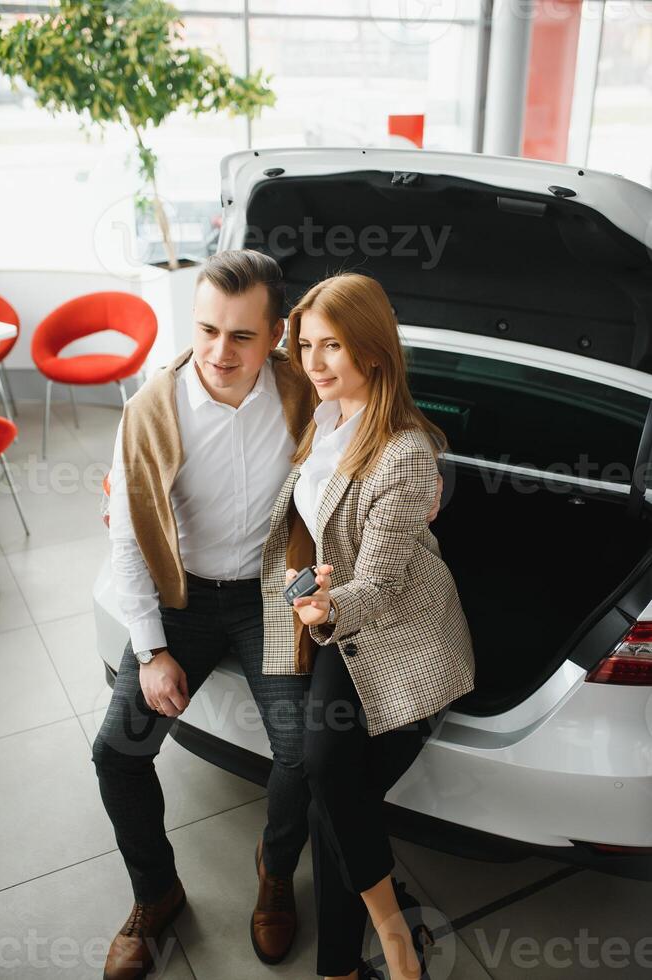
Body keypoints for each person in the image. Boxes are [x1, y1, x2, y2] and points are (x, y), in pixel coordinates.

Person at [91, 248, 444, 979]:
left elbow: (383, 418)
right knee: (115, 753)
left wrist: (423, 477)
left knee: (300, 756)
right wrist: (153, 651)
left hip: (268, 598)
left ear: (277, 333)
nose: (219, 352)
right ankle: (155, 894)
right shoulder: (148, 411)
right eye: (207, 330)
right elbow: (127, 543)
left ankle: (276, 868)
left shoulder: (306, 389)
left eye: (242, 335)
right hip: (181, 597)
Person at [260, 272, 475, 980]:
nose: (314, 362)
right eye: (307, 345)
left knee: (328, 778)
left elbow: (379, 589)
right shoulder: (310, 413)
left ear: (373, 353)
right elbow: (223, 365)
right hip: (332, 619)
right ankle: (346, 965)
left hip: (393, 629)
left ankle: (384, 940)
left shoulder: (406, 452)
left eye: (334, 347)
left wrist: (326, 608)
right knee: (334, 788)